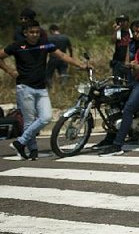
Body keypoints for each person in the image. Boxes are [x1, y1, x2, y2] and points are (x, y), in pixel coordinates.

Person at [0, 19, 89, 160]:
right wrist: (10, 70)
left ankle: (20, 142)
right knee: (29, 121)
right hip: (24, 87)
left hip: (41, 88)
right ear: (25, 33)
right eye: (31, 32)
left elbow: (63, 56)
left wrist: (80, 65)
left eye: (37, 32)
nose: (35, 35)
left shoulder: (45, 44)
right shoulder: (17, 46)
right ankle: (33, 150)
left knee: (46, 117)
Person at [96, 21, 139, 155]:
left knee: (128, 109)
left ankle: (117, 146)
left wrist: (135, 66)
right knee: (115, 100)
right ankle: (114, 136)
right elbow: (135, 71)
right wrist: (134, 66)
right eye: (136, 32)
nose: (138, 34)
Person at [111, 15, 134, 80]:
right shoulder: (118, 32)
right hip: (118, 61)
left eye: (124, 21)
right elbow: (113, 40)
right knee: (117, 82)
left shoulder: (131, 32)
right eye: (120, 21)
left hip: (129, 61)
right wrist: (115, 30)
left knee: (129, 81)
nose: (122, 23)